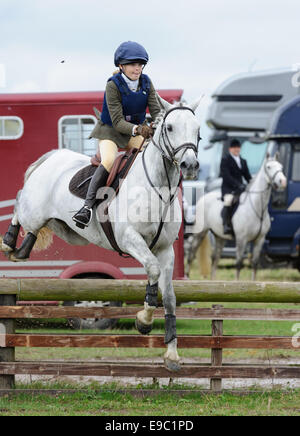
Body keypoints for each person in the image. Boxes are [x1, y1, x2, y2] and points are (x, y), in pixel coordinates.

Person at [72, 41, 161, 228]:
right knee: (109, 160)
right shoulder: (113, 85)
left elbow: (156, 110)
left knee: (151, 157)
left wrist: (159, 124)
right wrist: (138, 129)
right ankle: (87, 208)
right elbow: (118, 121)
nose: (137, 69)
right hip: (110, 131)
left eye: (139, 65)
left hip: (134, 131)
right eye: (132, 65)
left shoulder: (146, 82)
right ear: (121, 66)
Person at [220, 139, 252, 234]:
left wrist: (252, 183)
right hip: (229, 189)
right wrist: (238, 185)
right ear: (230, 149)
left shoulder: (243, 161)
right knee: (228, 200)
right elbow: (226, 176)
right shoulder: (225, 160)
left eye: (238, 148)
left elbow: (247, 176)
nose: (236, 149)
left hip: (241, 189)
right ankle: (226, 224)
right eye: (234, 148)